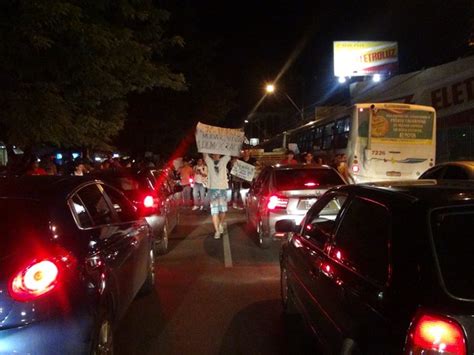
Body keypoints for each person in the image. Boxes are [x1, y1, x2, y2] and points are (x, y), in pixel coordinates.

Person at [204, 153, 231, 239]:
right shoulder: (209, 162)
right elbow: (204, 152)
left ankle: (220, 224)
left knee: (222, 211)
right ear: (212, 155)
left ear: (220, 154)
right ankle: (217, 231)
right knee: (214, 211)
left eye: (217, 154)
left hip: (222, 189)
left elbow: (230, 152)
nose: (216, 155)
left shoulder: (224, 160)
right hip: (213, 190)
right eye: (214, 154)